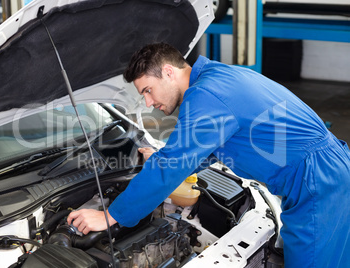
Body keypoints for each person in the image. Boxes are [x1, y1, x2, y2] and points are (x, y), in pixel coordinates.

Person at [67, 43, 350, 267]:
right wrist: (165, 156)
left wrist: (112, 215)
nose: (150, 103)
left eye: (148, 91)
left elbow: (171, 167)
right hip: (326, 172)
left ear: (168, 72)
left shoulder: (206, 96)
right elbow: (212, 146)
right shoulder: (218, 77)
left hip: (317, 182)